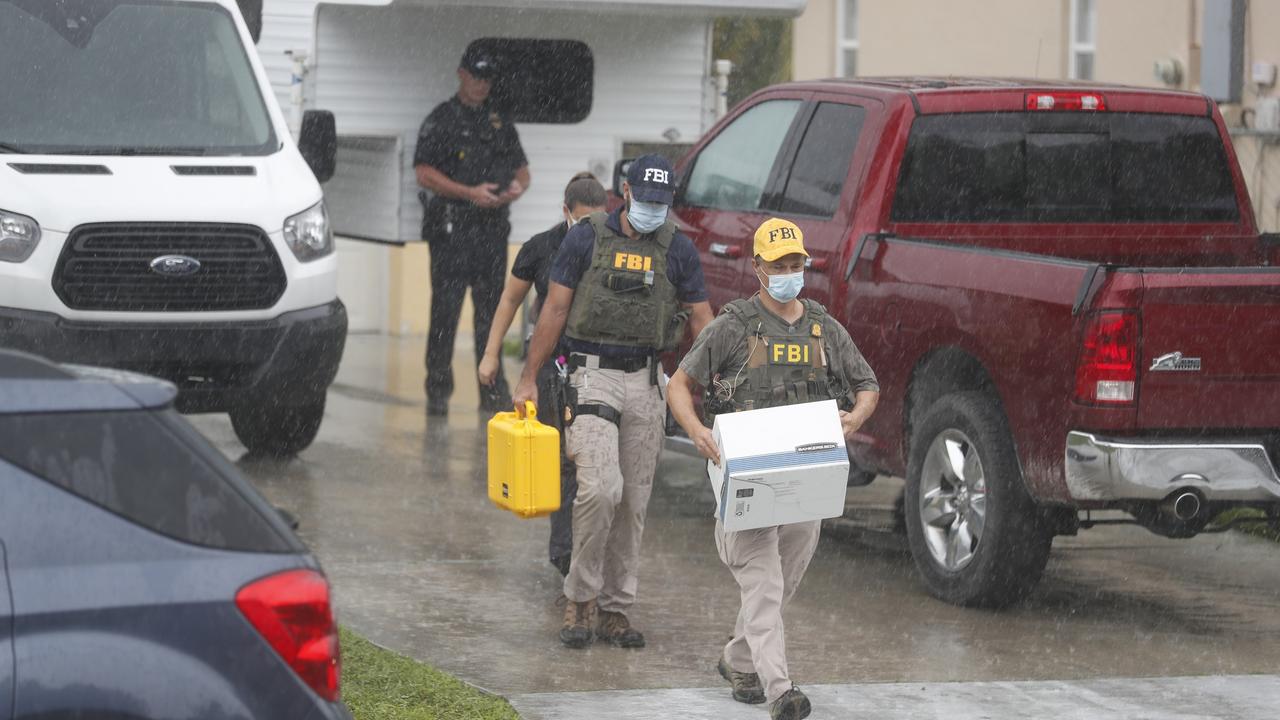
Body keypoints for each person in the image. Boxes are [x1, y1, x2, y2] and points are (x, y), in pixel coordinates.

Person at [666, 218, 879, 720]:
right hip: (746, 479)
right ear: (758, 267)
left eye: (795, 264)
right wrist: (697, 431)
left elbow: (867, 384)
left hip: (805, 481)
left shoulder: (824, 327)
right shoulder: (734, 325)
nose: (788, 273)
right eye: (778, 265)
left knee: (780, 586)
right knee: (764, 584)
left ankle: (739, 659)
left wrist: (855, 417)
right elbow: (679, 384)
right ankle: (780, 690)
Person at [512, 154, 714, 650]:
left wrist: (706, 383)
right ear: (624, 193)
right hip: (591, 375)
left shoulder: (678, 250)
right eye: (644, 200)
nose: (652, 210)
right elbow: (554, 308)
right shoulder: (586, 237)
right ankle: (579, 598)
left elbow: (703, 323)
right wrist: (529, 376)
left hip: (647, 381)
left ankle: (616, 609)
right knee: (601, 489)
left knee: (634, 501)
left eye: (661, 204)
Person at [478, 171, 607, 576]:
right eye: (582, 220)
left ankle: (591, 552)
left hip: (602, 365)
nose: (589, 229)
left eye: (597, 220)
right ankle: (565, 553)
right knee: (565, 461)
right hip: (555, 365)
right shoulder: (540, 248)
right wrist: (490, 354)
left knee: (597, 466)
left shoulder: (616, 245)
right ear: (565, 212)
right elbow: (510, 300)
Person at [414, 45, 531, 416]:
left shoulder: (499, 121)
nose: (481, 85)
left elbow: (522, 171)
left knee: (491, 314)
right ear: (461, 74)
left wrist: (516, 188)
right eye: (476, 76)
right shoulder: (441, 119)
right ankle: (438, 391)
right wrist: (469, 193)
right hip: (451, 230)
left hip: (491, 232)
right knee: (445, 315)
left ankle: (491, 391)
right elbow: (424, 173)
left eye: (487, 79)